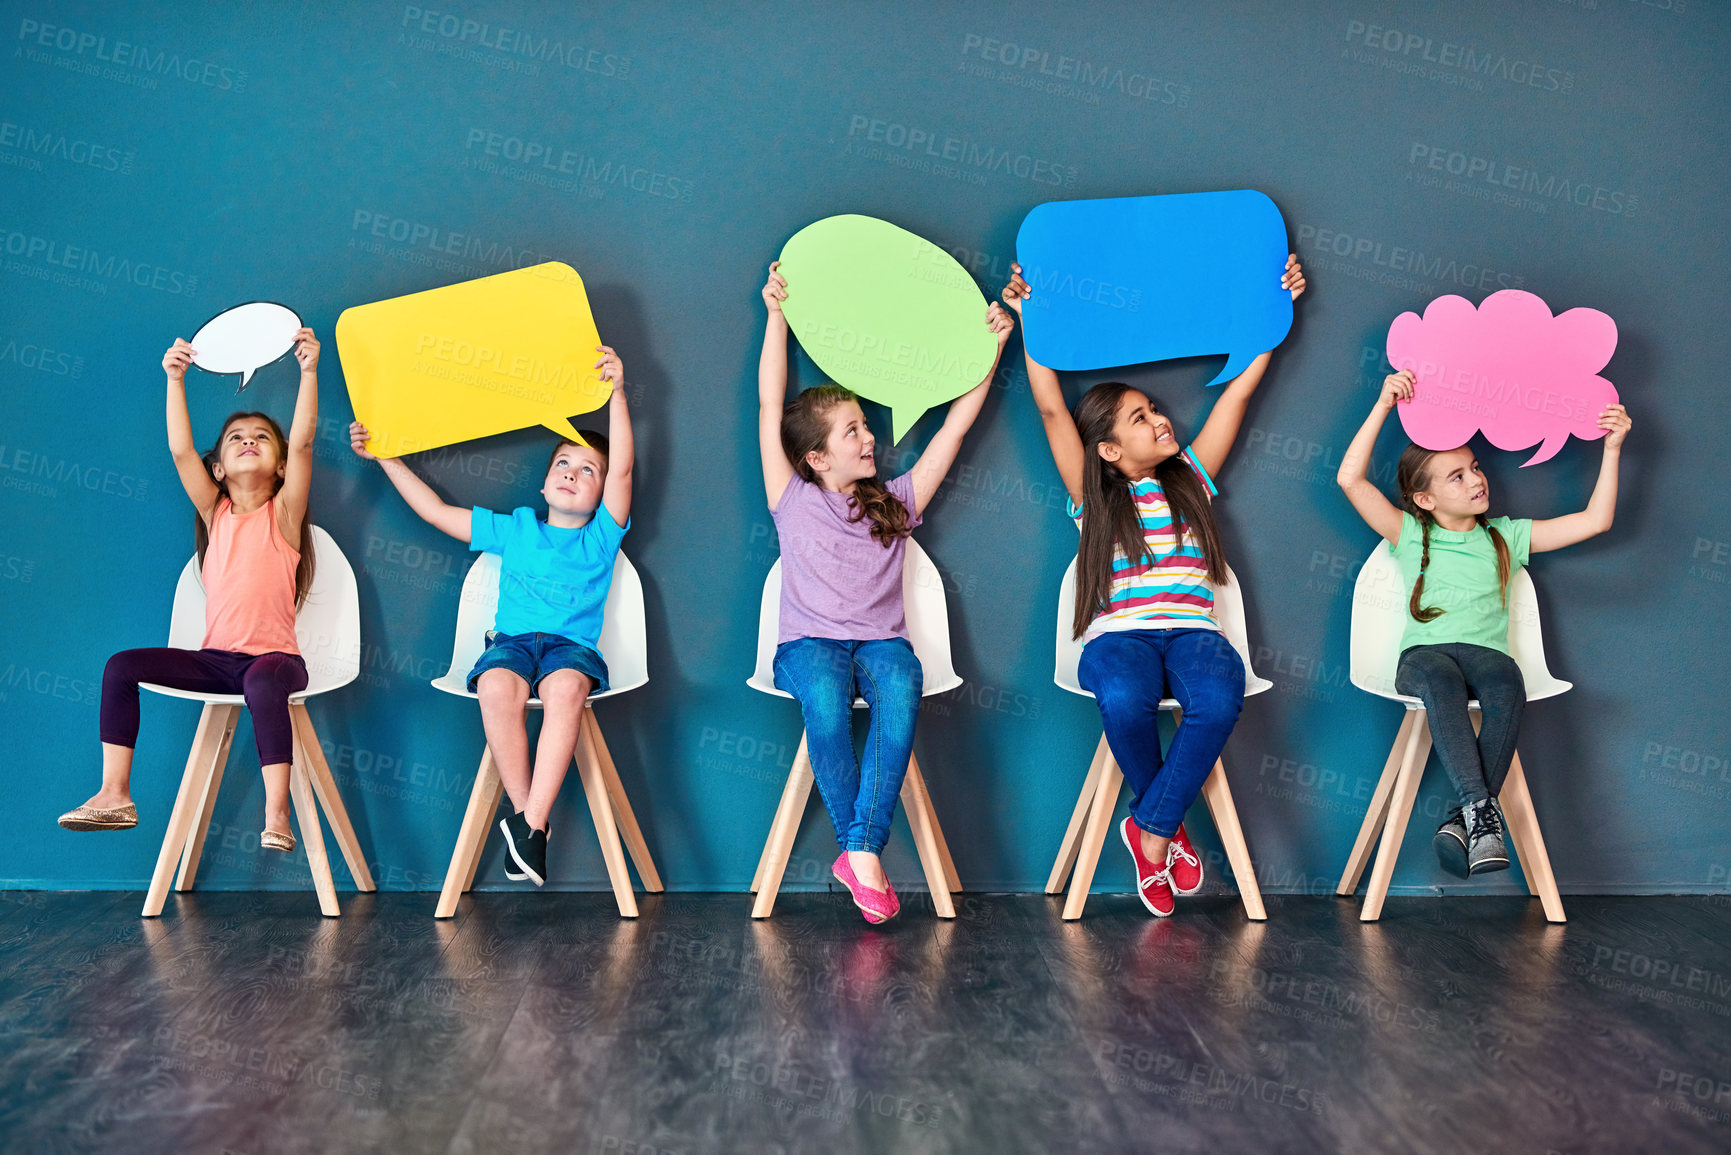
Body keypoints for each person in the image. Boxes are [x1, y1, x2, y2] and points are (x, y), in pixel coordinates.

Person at [1000, 254, 1306, 916]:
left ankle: (1153, 828)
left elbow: (1238, 394)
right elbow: (1052, 410)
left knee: (1219, 699)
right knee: (1122, 696)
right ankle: (1163, 826)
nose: (1159, 418)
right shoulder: (1092, 496)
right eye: (1139, 417)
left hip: (1194, 632)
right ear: (1107, 450)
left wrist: (1273, 308)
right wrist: (1030, 319)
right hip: (1120, 637)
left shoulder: (1189, 477)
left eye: (1154, 409)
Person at [758, 260, 1013, 923]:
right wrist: (776, 317)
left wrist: (992, 348)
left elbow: (953, 430)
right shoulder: (790, 496)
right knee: (824, 697)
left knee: (899, 686)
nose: (869, 437)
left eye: (866, 426)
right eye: (852, 432)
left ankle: (858, 851)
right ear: (815, 457)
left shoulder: (895, 502)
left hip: (881, 642)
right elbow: (768, 402)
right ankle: (864, 850)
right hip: (808, 643)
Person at [349, 346, 634, 886]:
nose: (574, 474)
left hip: (569, 650)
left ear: (601, 494)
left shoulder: (602, 536)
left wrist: (617, 393)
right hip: (513, 642)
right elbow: (435, 512)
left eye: (588, 471)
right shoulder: (516, 527)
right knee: (496, 687)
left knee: (567, 691)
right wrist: (385, 456)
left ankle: (527, 823)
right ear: (544, 483)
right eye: (563, 465)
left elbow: (622, 464)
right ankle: (532, 826)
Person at [1336, 369, 1631, 875]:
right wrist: (1384, 405)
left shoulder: (1506, 536)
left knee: (1505, 682)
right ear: (1425, 499)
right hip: (1424, 658)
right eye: (1457, 476)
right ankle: (1480, 808)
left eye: (1474, 467)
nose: (1476, 479)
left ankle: (1467, 817)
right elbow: (1349, 480)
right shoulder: (1409, 533)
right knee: (1442, 682)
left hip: (1487, 656)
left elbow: (1594, 520)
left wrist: (1612, 449)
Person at [60, 330, 324, 853]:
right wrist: (175, 379)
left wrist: (309, 372)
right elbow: (181, 451)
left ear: (281, 468)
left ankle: (277, 811)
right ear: (219, 471)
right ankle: (115, 792)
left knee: (267, 679)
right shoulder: (216, 511)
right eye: (236, 437)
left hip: (275, 660)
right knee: (120, 665)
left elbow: (304, 440)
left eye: (262, 437)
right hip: (216, 660)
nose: (249, 439)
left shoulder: (285, 514)